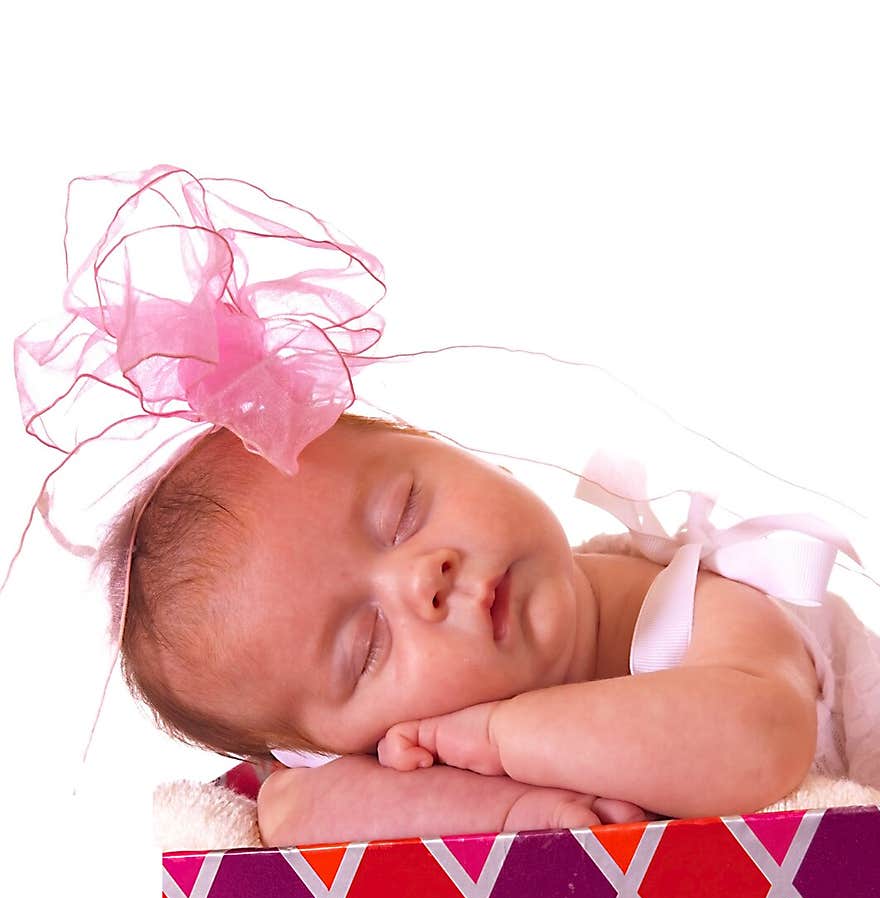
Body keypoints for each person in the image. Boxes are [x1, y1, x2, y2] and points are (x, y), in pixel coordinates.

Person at [9, 166, 880, 849]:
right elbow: (296, 809)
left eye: (403, 511)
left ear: (440, 442)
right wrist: (502, 810)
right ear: (336, 739)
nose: (423, 579)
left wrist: (500, 738)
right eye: (369, 647)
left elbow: (766, 744)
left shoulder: (699, 605)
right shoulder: (389, 754)